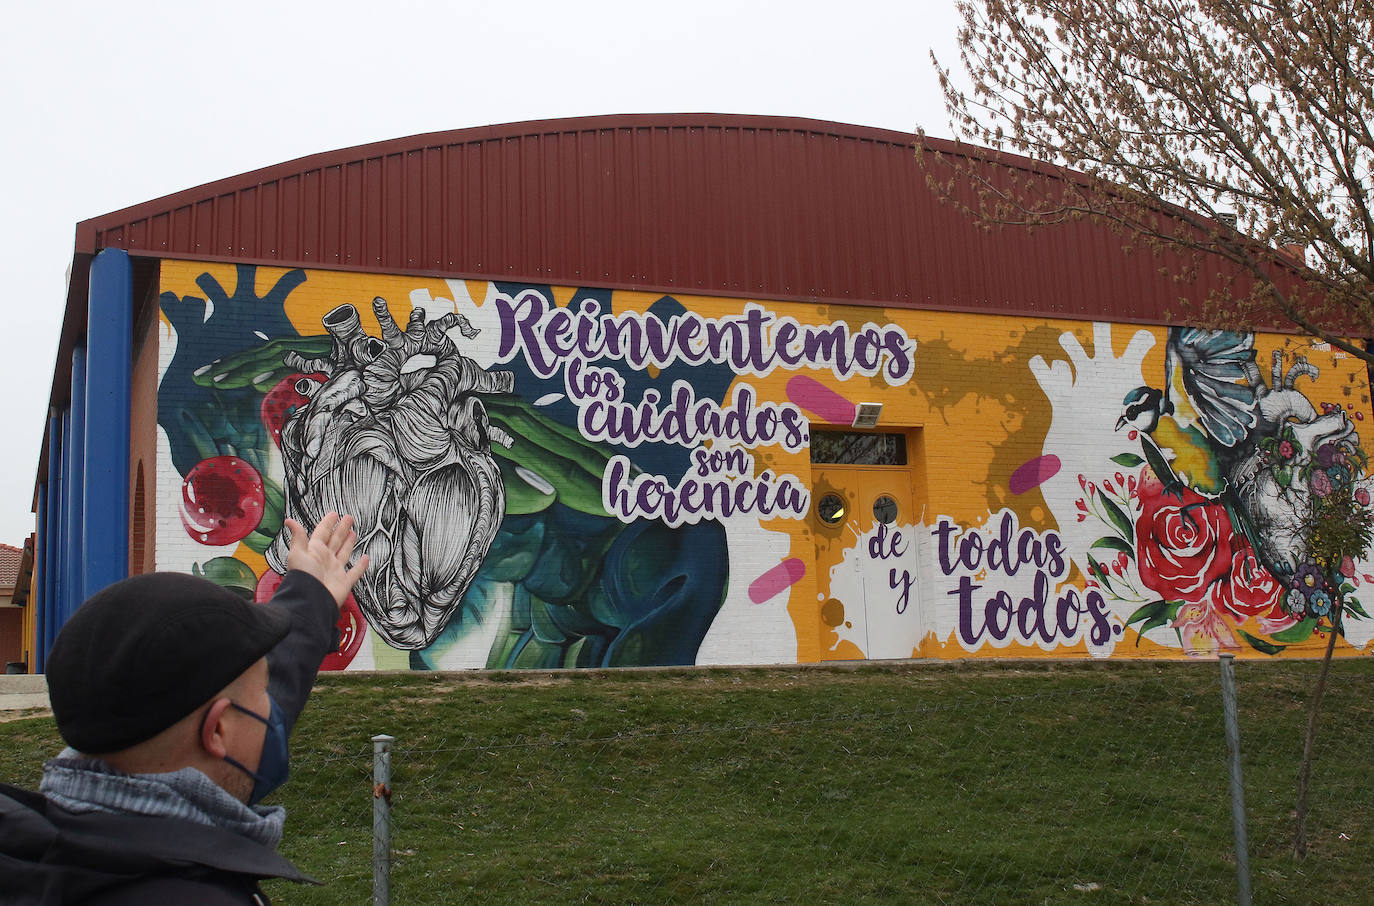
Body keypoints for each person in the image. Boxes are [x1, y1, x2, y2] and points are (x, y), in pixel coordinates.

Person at [0, 512, 369, 905]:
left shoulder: (44, 846)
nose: (273, 708)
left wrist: (311, 597)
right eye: (262, 692)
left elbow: (241, 694)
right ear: (217, 733)